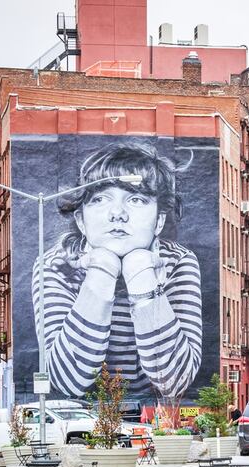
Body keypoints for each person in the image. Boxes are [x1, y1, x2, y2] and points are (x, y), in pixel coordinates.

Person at [33, 143, 203, 399]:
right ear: (81, 220)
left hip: (152, 419)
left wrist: (141, 276)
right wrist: (101, 271)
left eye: (135, 199)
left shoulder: (179, 262)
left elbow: (174, 381)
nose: (117, 214)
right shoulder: (55, 265)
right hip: (81, 418)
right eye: (100, 199)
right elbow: (68, 380)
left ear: (159, 221)